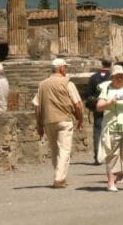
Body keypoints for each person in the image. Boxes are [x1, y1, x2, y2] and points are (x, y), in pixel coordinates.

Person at [35, 58, 84, 188]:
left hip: (48, 120)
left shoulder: (42, 84)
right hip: (64, 119)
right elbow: (77, 104)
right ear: (61, 68)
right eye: (66, 67)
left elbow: (37, 107)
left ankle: (60, 176)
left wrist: (39, 124)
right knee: (64, 150)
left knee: (55, 150)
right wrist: (80, 118)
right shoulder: (68, 83)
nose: (66, 69)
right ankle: (59, 178)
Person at [96, 65, 123, 192]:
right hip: (112, 126)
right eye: (117, 76)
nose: (119, 78)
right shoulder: (106, 89)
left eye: (121, 76)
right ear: (112, 77)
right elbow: (99, 107)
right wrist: (110, 102)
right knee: (112, 154)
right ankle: (111, 182)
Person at [86, 60, 113, 165]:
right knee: (111, 131)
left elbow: (88, 94)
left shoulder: (94, 77)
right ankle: (110, 155)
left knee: (98, 131)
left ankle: (97, 156)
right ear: (111, 65)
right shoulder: (113, 77)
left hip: (98, 107)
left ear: (102, 64)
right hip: (111, 107)